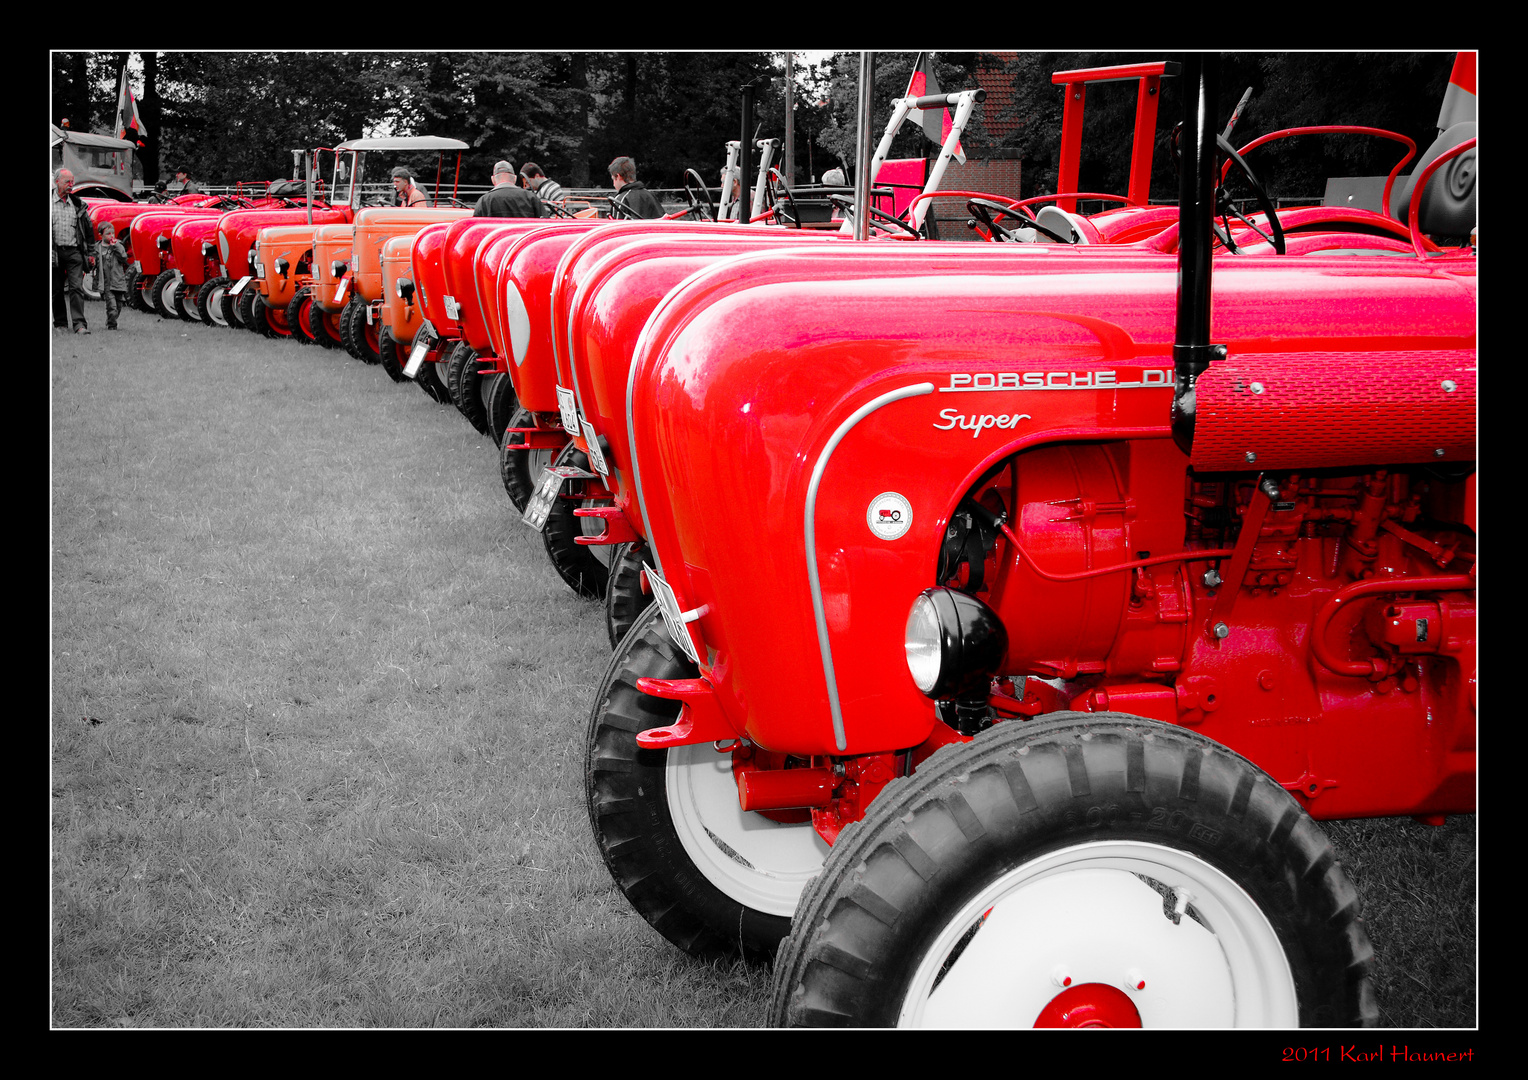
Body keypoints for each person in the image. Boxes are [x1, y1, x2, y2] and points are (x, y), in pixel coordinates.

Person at [51, 168, 96, 334]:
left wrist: (91, 254)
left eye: (72, 182)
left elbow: (89, 231)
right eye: (67, 182)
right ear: (57, 182)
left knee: (76, 288)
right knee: (56, 290)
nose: (71, 185)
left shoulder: (78, 204)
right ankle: (60, 324)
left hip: (74, 252)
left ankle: (79, 325)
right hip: (54, 252)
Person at [473, 160, 543, 219]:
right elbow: (544, 223)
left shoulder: (484, 201)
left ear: (493, 180)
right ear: (515, 179)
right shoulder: (531, 198)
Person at [96, 222, 129, 330]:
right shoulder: (98, 248)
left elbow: (124, 257)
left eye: (113, 233)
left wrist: (116, 246)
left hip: (118, 280)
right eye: (108, 234)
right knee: (112, 306)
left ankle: (111, 319)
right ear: (101, 235)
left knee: (119, 306)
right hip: (106, 282)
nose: (111, 236)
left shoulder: (118, 245)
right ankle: (112, 326)